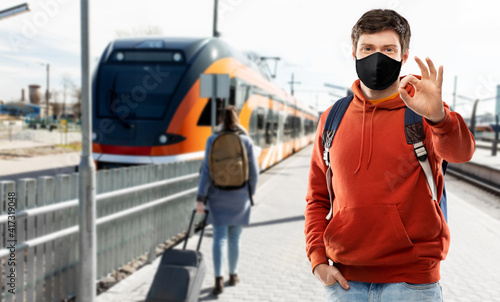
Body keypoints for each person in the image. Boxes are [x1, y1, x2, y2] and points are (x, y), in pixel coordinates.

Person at [304, 9, 475, 302]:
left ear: (403, 56)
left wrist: (439, 117)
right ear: (355, 53)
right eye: (368, 48)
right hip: (346, 283)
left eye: (388, 49)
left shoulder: (423, 108)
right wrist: (317, 259)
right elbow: (318, 197)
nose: (377, 57)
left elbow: (461, 153)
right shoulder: (332, 117)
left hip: (412, 284)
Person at [196, 105, 259, 296]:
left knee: (219, 239)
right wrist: (250, 194)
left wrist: (201, 198)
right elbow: (254, 173)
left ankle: (218, 280)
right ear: (237, 119)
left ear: (221, 120)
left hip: (217, 196)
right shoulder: (246, 140)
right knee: (234, 239)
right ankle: (233, 275)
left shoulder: (212, 139)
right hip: (240, 197)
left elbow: (206, 171)